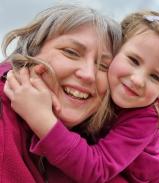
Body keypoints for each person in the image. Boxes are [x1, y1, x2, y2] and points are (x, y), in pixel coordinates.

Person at [5, 10, 159, 183]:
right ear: (116, 53)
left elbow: (97, 170)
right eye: (133, 60)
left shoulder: (145, 116)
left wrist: (40, 117)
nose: (138, 80)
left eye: (155, 77)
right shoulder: (100, 90)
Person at [0, 4, 125, 183]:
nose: (88, 74)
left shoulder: (103, 140)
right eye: (71, 52)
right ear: (31, 51)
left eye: (104, 66)